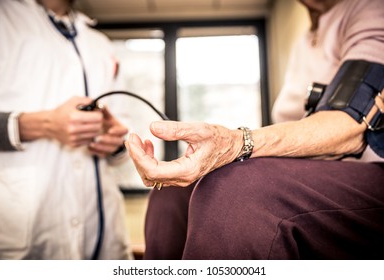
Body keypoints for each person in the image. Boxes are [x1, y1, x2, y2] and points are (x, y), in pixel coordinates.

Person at [125, 0, 384, 259]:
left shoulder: (371, 10)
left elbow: (351, 126)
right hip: (318, 168)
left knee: (239, 189)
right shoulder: (305, 42)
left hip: (370, 172)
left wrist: (236, 143)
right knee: (173, 191)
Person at [0, 0, 133, 259]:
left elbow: (123, 126)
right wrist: (44, 124)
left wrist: (114, 142)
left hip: (103, 228)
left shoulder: (99, 42)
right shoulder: (0, 20)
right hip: (19, 233)